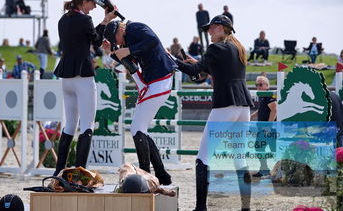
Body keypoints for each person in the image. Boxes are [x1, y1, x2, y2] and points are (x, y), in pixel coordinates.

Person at [175, 15, 253, 211]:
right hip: (243, 107)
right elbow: (218, 71)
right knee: (240, 159)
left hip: (225, 105)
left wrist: (170, 59)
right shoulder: (238, 48)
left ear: (222, 28)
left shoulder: (215, 48)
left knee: (202, 158)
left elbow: (194, 70)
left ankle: (201, 208)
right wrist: (201, 65)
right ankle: (246, 208)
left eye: (212, 28)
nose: (208, 31)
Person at [52, 0, 117, 176]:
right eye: (92, 3)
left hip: (66, 77)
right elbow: (96, 40)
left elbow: (87, 37)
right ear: (84, 1)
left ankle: (58, 171)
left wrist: (99, 28)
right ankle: (80, 173)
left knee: (70, 125)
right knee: (87, 125)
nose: (94, 7)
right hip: (83, 76)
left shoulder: (63, 19)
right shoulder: (85, 19)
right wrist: (106, 20)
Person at [103, 19, 177, 185]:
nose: (118, 43)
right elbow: (128, 59)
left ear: (120, 30)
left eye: (117, 39)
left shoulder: (135, 28)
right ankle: (161, 173)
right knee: (140, 129)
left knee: (137, 128)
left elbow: (152, 41)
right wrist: (115, 52)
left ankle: (147, 174)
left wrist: (127, 50)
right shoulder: (127, 36)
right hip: (154, 81)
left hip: (160, 79)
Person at [250, 75, 277, 177]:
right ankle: (265, 169)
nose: (258, 87)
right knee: (261, 148)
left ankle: (268, 170)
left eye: (260, 84)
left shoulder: (269, 95)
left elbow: (274, 110)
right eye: (256, 85)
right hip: (264, 128)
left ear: (267, 85)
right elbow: (264, 109)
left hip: (268, 128)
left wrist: (268, 126)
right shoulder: (263, 95)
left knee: (270, 149)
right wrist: (253, 116)